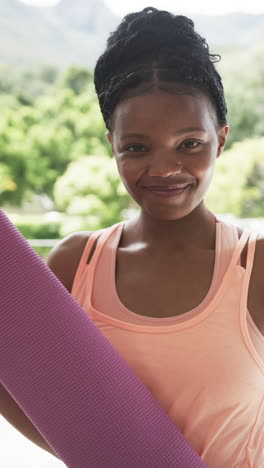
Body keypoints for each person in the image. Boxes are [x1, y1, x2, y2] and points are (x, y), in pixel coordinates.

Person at [1, 7, 263, 466]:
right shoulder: (75, 262)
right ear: (112, 145)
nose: (164, 169)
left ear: (221, 139)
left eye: (190, 143)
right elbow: (15, 379)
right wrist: (98, 451)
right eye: (137, 147)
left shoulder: (255, 268)